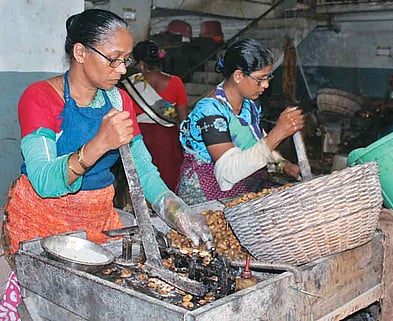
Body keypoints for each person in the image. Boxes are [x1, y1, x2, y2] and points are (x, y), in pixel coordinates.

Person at [2, 9, 212, 258]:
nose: (122, 70)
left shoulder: (119, 100)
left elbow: (142, 171)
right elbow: (44, 182)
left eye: (126, 60)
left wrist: (177, 211)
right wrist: (99, 144)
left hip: (98, 220)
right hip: (43, 224)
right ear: (80, 53)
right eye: (113, 59)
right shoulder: (40, 97)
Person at [177, 38, 304, 205]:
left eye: (268, 77)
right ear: (238, 76)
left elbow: (255, 142)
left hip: (239, 188)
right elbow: (228, 172)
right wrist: (278, 133)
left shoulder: (248, 105)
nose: (266, 85)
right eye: (260, 79)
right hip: (206, 196)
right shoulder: (210, 112)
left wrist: (283, 164)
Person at [128, 40, 188, 191]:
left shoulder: (129, 85)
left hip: (139, 140)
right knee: (168, 182)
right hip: (168, 140)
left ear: (140, 62)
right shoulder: (176, 82)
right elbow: (184, 120)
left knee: (143, 180)